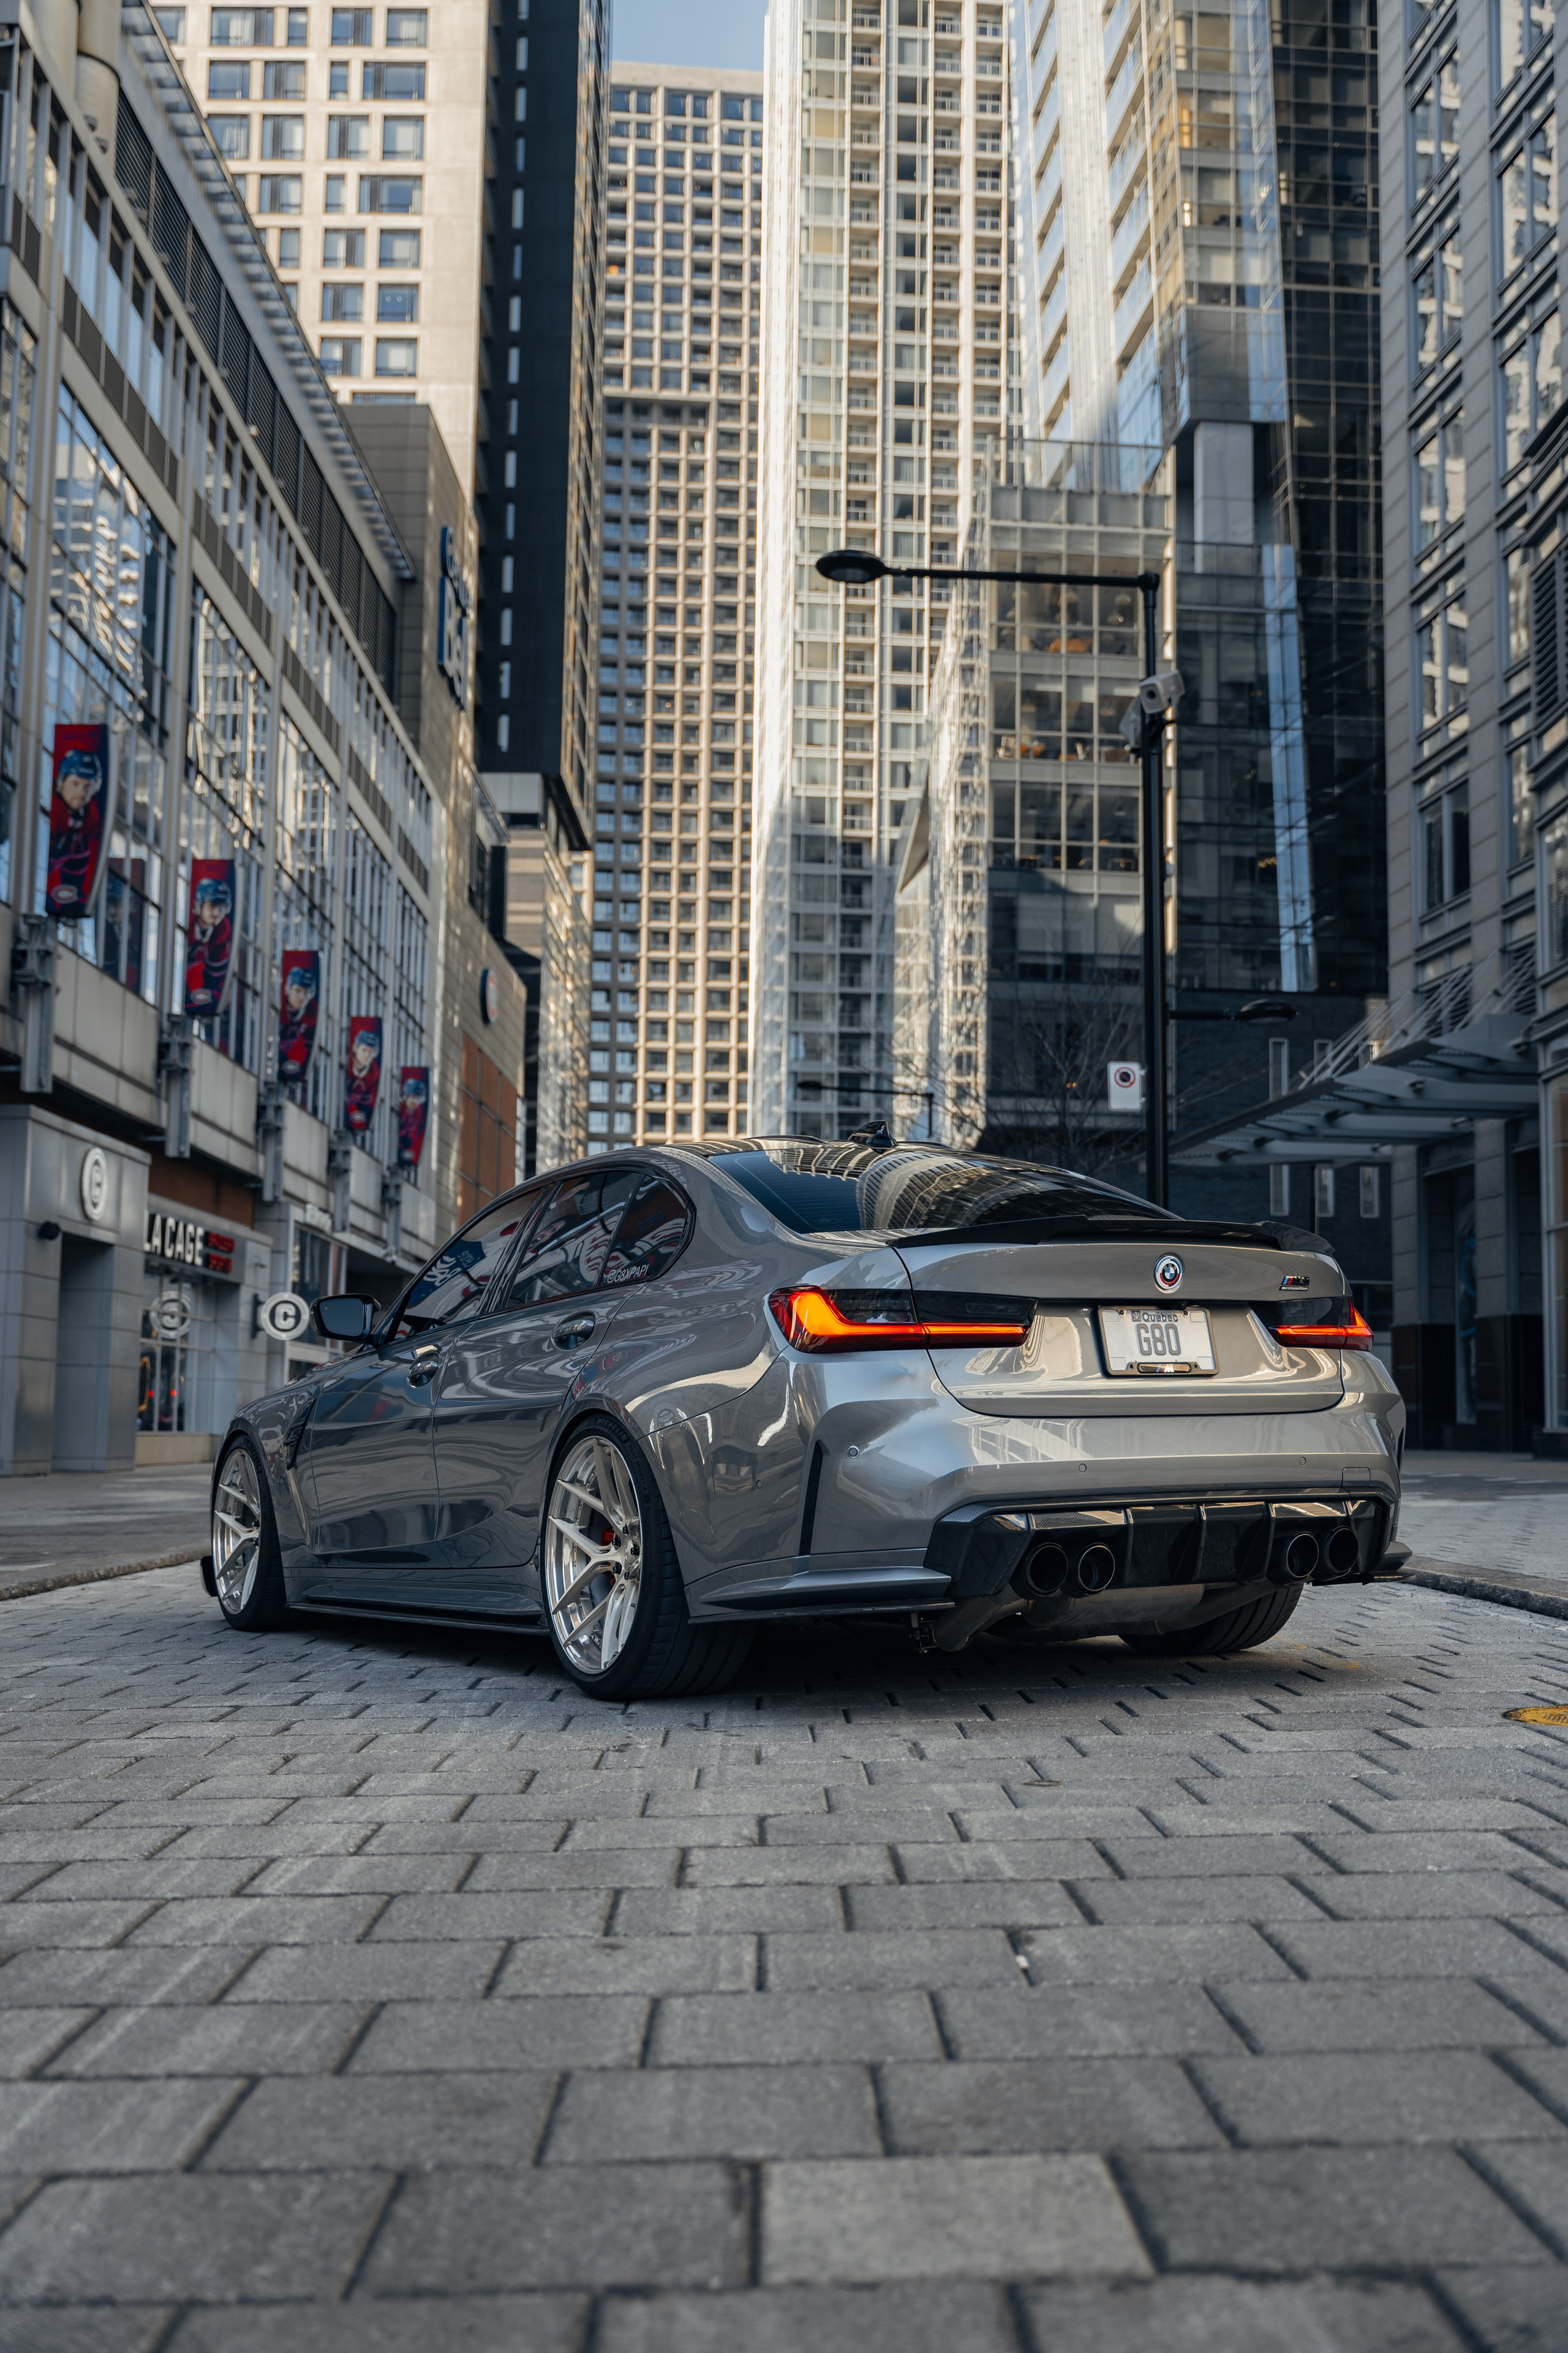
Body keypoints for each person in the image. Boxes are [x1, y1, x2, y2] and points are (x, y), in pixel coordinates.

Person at [45, 746, 107, 915]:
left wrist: (72, 900)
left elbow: (78, 861)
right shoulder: (53, 811)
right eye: (75, 783)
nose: (81, 792)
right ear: (61, 782)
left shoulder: (90, 816)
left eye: (88, 786)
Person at [184, 872, 234, 1013]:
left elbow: (214, 980)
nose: (218, 913)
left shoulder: (222, 930)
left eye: (222, 907)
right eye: (213, 906)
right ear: (199, 904)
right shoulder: (186, 921)